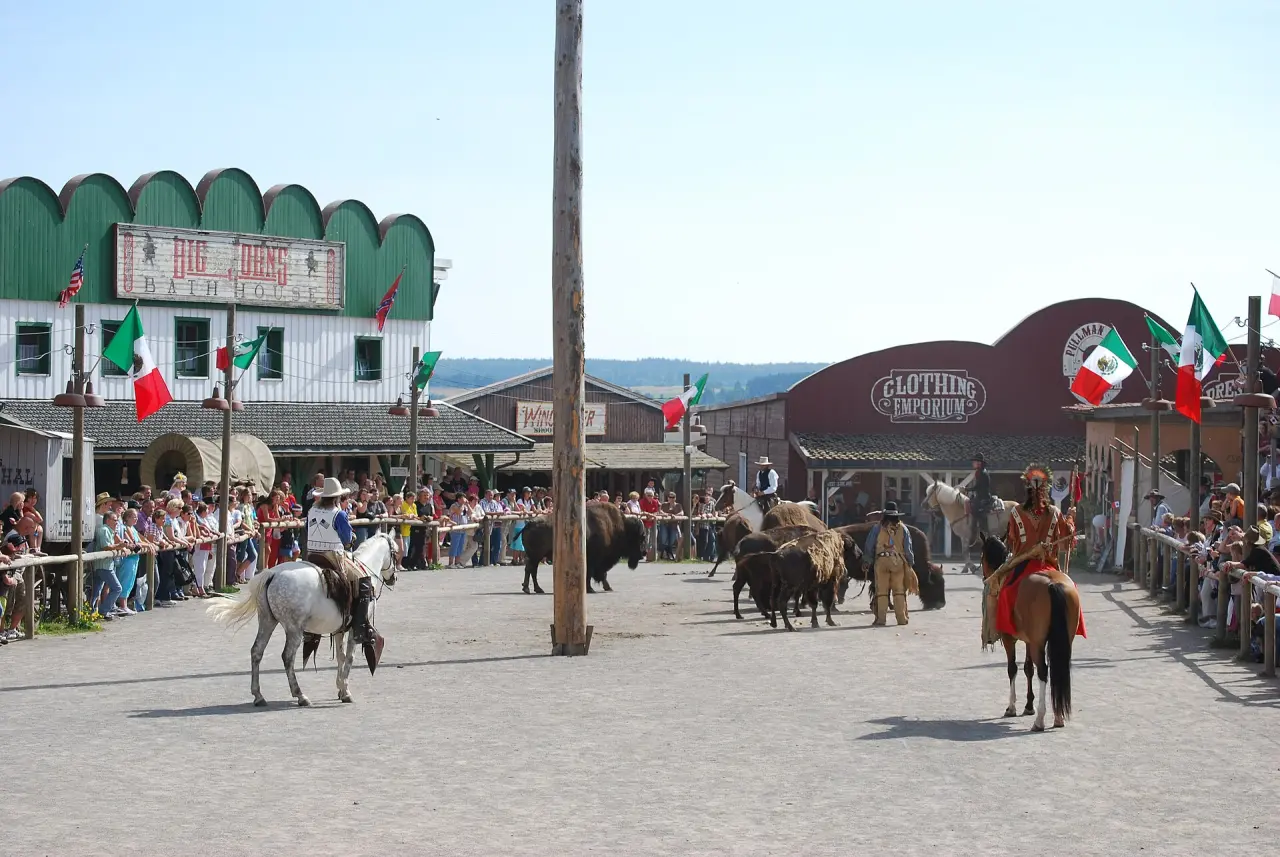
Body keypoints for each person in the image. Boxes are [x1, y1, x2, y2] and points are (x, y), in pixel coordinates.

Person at [993, 464, 1083, 642]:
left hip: (1022, 564)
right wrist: (1071, 517)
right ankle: (1073, 625)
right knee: (1071, 590)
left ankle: (1005, 629)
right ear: (1045, 489)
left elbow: (1012, 540)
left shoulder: (1016, 512)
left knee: (1005, 592)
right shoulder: (1056, 513)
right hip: (1048, 564)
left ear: (1027, 489)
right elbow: (1067, 537)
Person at [306, 477, 379, 664]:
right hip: (332, 555)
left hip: (312, 554)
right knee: (364, 578)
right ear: (337, 498)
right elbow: (346, 539)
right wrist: (351, 537)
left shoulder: (312, 510)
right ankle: (361, 626)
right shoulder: (338, 514)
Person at [863, 501, 915, 626]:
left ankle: (881, 619)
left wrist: (867, 560)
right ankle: (901, 619)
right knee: (899, 591)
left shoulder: (877, 528)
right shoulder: (904, 529)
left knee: (881, 592)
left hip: (881, 562)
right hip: (898, 563)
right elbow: (908, 549)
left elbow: (869, 546)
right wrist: (910, 562)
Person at [967, 454, 993, 555]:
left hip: (984, 497)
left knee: (975, 510)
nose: (973, 463)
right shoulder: (980, 472)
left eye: (974, 461)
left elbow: (978, 487)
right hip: (980, 496)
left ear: (979, 463)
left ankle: (982, 531)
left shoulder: (982, 473)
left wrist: (967, 489)